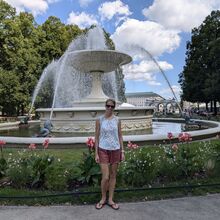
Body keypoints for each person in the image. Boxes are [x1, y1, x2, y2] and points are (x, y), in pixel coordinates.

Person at [95, 98, 125, 210]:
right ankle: (103, 198)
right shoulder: (99, 120)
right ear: (105, 106)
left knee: (113, 176)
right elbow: (96, 137)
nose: (110, 108)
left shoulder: (117, 120)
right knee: (106, 177)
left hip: (116, 149)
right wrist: (96, 154)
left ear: (114, 108)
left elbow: (120, 136)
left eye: (112, 106)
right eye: (108, 106)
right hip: (103, 149)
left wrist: (122, 151)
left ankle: (110, 199)